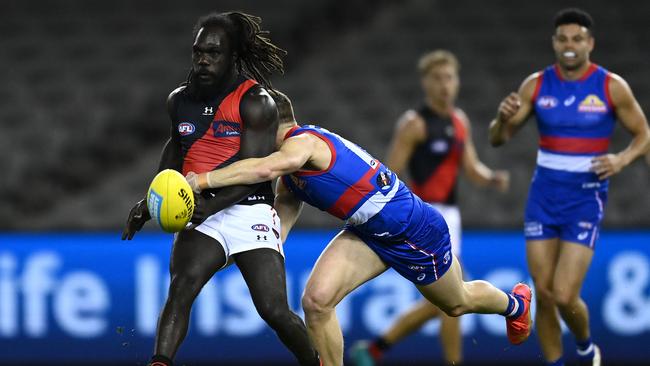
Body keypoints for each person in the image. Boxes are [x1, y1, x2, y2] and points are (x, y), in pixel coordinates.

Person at [186, 90, 532, 366]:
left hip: (414, 231)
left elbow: (266, 168)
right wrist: (230, 250)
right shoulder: (290, 178)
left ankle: (515, 305)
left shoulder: (302, 144)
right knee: (317, 302)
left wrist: (201, 180)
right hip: (369, 232)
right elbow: (274, 229)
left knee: (457, 303)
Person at [120, 12, 320, 366]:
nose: (203, 60)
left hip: (250, 207)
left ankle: (315, 362)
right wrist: (151, 201)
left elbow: (257, 172)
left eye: (213, 53)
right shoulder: (179, 99)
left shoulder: (257, 101)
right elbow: (176, 149)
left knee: (273, 310)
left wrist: (210, 206)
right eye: (198, 52)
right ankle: (159, 362)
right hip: (200, 209)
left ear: (232, 56)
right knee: (181, 289)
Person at [488, 8, 650, 366]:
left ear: (590, 43)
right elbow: (499, 139)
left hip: (585, 198)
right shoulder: (536, 85)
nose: (570, 45)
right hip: (543, 197)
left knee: (563, 294)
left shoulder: (611, 86)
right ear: (554, 43)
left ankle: (586, 347)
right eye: (563, 39)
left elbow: (644, 134)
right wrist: (500, 119)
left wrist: (622, 159)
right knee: (542, 295)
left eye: (577, 38)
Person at [350, 50, 509, 366]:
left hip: (452, 218)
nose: (444, 85)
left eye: (449, 77)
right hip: (425, 216)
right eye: (437, 78)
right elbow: (389, 173)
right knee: (456, 296)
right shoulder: (414, 124)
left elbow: (471, 166)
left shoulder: (460, 121)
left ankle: (374, 350)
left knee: (447, 299)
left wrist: (491, 178)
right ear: (425, 83)